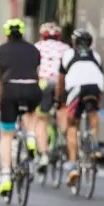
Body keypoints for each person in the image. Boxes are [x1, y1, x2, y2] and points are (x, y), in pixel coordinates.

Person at [0, 19, 42, 198]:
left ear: (7, 34)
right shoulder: (34, 50)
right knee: (30, 111)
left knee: (7, 134)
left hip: (10, 90)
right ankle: (31, 137)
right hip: (32, 89)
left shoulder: (0, 50)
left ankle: (5, 177)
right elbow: (37, 72)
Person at [54, 29, 104, 186]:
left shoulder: (68, 54)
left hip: (76, 89)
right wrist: (99, 100)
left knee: (72, 124)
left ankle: (73, 164)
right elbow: (99, 76)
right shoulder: (96, 55)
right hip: (94, 88)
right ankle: (94, 142)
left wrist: (59, 99)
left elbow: (61, 81)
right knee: (93, 113)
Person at [33, 22, 70, 172]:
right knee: (62, 110)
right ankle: (63, 138)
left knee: (41, 119)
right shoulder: (66, 48)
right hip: (63, 83)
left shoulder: (37, 46)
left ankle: (43, 154)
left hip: (44, 83)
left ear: (42, 35)